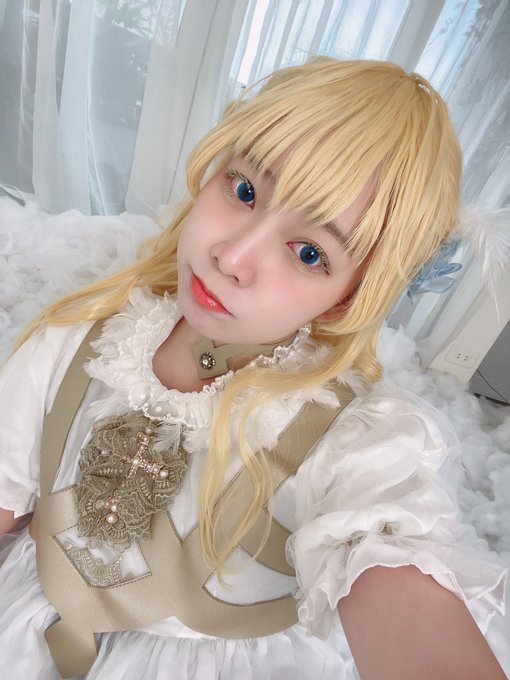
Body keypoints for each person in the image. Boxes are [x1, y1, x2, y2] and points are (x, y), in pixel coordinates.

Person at [0, 58, 507, 680]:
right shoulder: (78, 338)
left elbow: (388, 563)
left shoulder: (347, 441)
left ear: (351, 296)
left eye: (309, 252)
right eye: (243, 190)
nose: (232, 257)